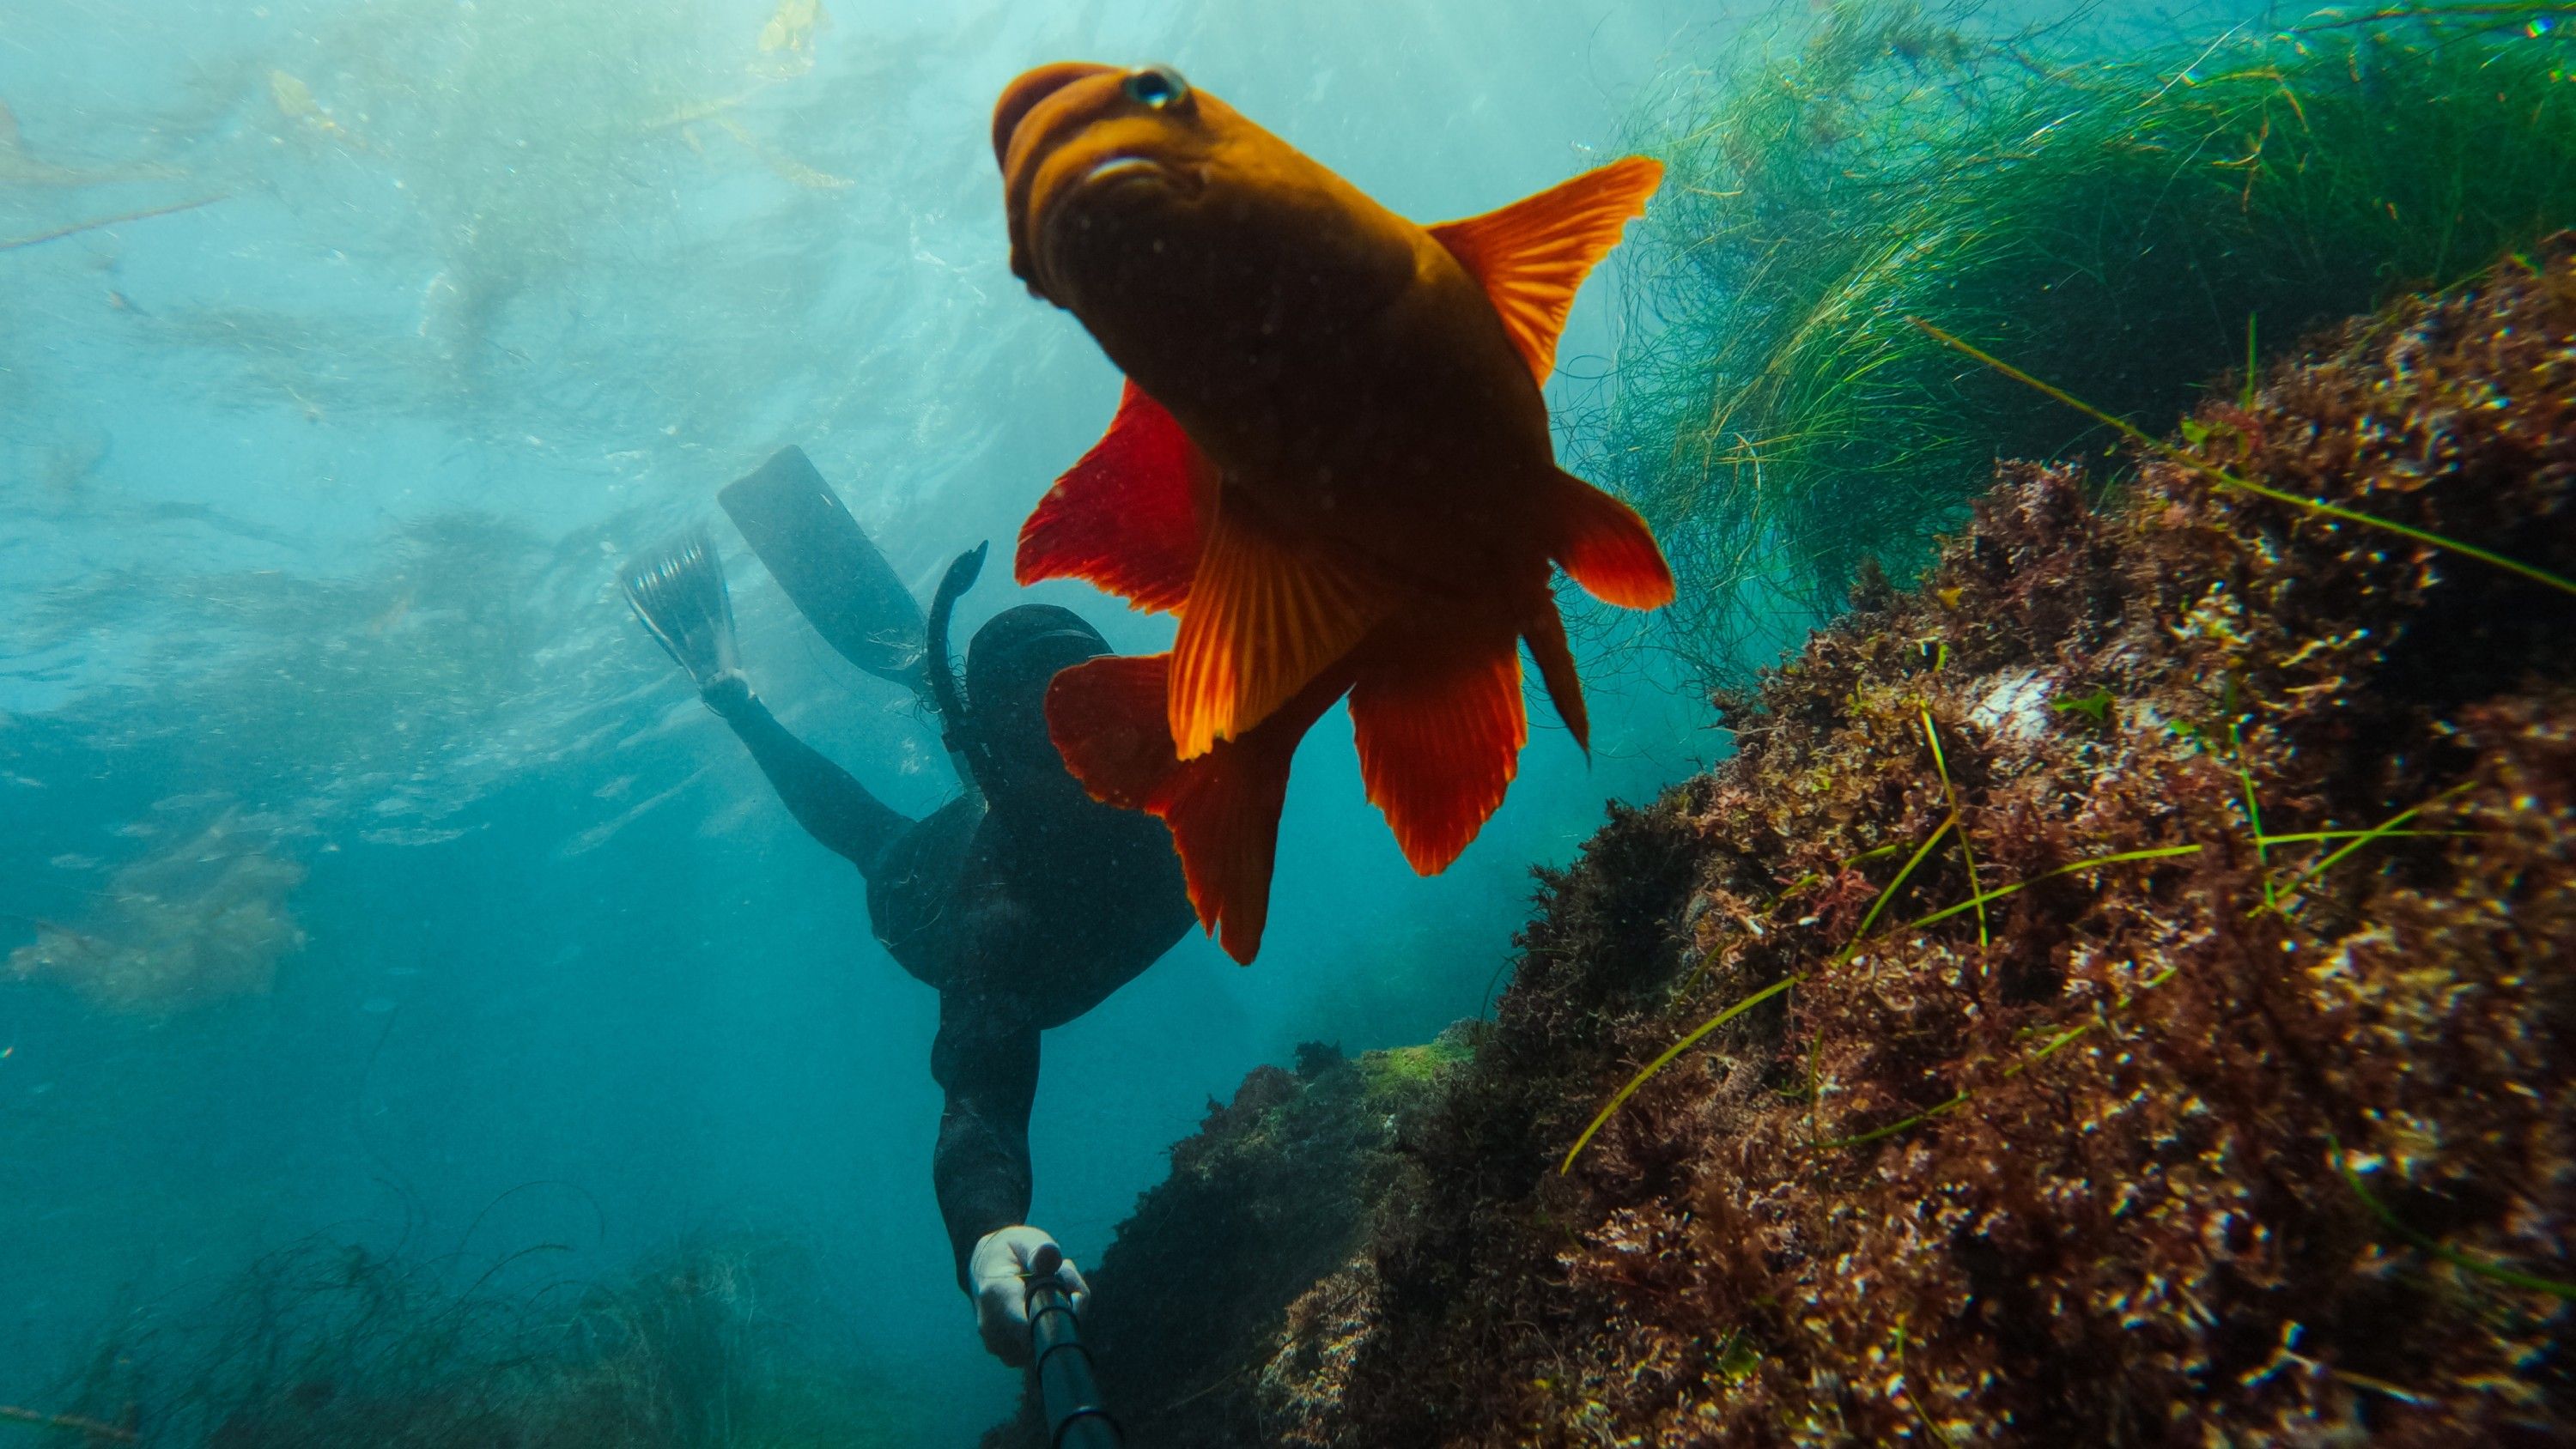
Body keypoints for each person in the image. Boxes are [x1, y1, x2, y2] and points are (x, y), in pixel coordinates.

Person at [621, 446, 1196, 1366]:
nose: (1080, 759)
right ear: (1004, 754)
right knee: (873, 837)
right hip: (927, 887)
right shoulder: (994, 916)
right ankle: (745, 701)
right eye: (1039, 733)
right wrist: (988, 1233)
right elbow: (980, 1099)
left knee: (960, 764)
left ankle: (945, 693)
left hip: (1004, 811)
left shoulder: (1194, 774)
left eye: (1095, 709)